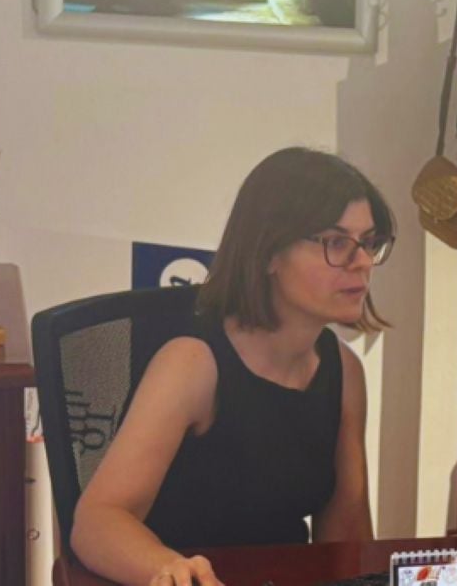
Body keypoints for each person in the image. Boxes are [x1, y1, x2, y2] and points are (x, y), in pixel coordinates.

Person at [70, 148, 395, 586]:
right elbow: (97, 520)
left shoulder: (344, 371)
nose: (363, 262)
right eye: (336, 243)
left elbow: (346, 536)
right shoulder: (192, 363)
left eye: (369, 242)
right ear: (269, 253)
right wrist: (166, 567)